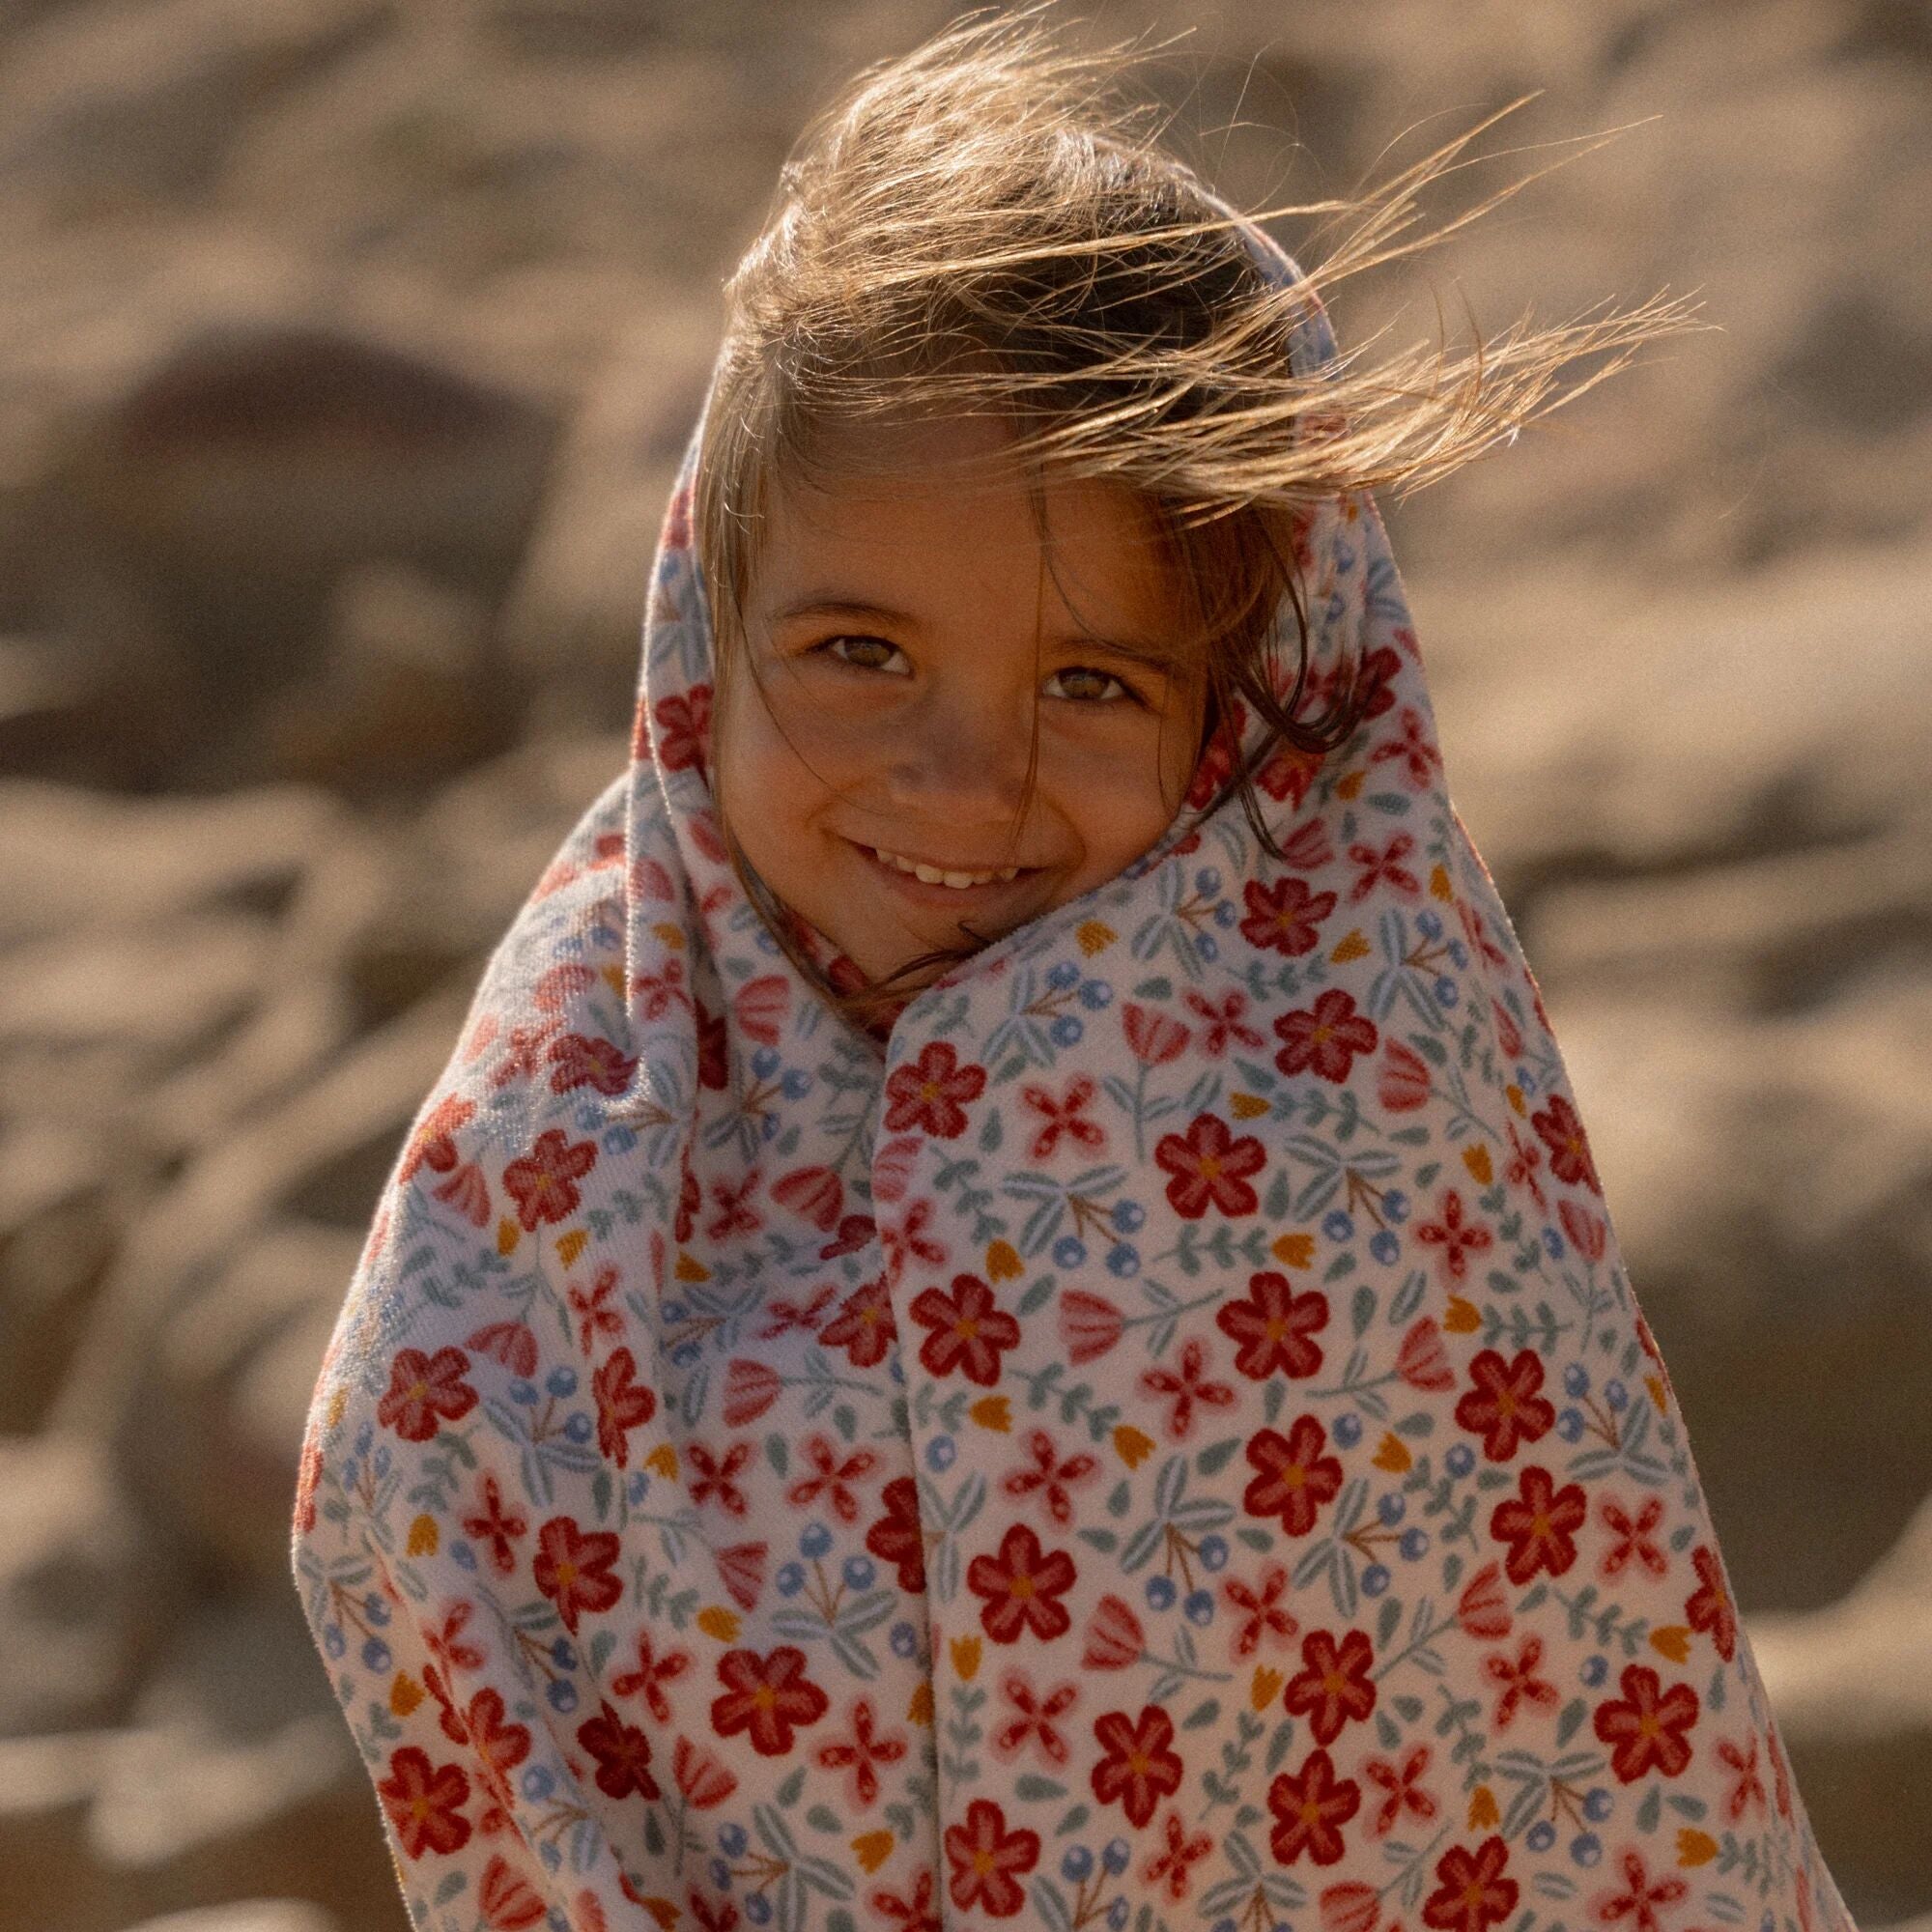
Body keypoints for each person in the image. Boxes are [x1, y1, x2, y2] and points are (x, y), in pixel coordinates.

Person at [290, 14, 1861, 1932]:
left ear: (1244, 704)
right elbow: (426, 1574)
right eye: (859, 650)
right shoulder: (570, 1144)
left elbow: (1548, 1757)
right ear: (705, 625)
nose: (968, 779)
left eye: (1093, 682)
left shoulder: (1362, 1140)